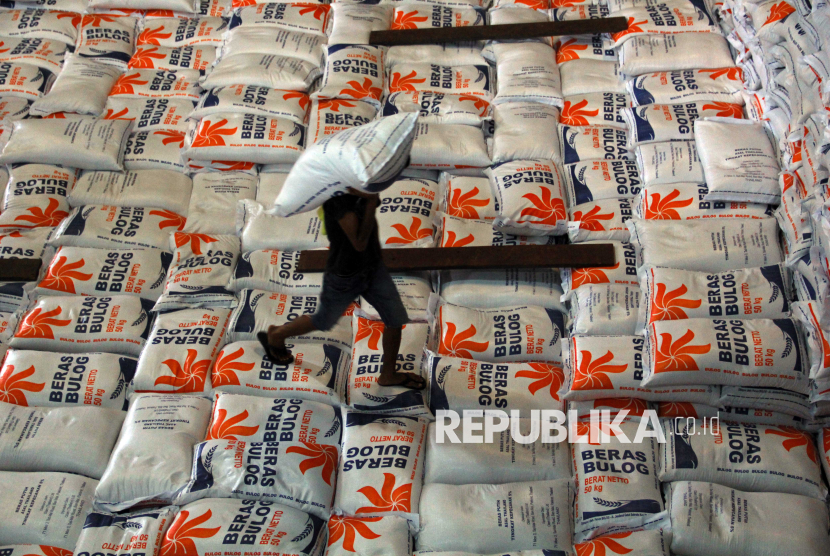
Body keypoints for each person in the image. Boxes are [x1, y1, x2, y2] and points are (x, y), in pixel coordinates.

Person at [258, 188, 426, 390]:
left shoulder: (356, 188)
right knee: (323, 320)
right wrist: (370, 202)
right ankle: (277, 335)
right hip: (346, 276)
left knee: (395, 318)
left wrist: (368, 197)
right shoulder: (337, 202)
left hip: (371, 267)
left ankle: (388, 374)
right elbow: (359, 242)